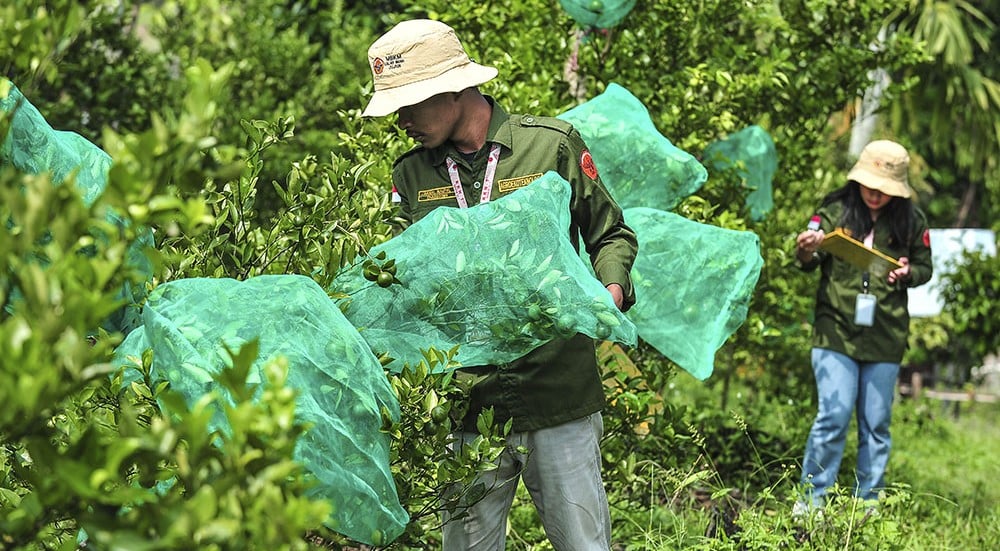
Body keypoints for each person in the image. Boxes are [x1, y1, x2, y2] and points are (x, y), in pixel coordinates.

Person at [362, 19, 638, 550]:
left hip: (556, 387)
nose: (401, 121)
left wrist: (611, 293)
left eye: (409, 105)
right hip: (467, 401)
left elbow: (611, 234)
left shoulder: (549, 147)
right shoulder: (410, 176)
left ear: (455, 90)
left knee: (583, 543)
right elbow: (399, 281)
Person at [793, 139, 932, 513]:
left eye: (884, 189)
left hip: (885, 334)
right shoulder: (834, 209)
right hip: (834, 328)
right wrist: (807, 248)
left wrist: (908, 273)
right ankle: (810, 504)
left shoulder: (912, 221)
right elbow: (806, 259)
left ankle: (867, 508)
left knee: (876, 425)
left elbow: (924, 268)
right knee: (834, 415)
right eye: (870, 185)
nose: (875, 194)